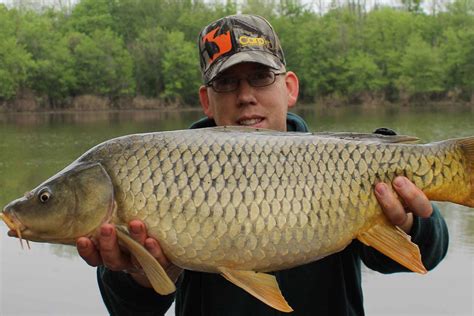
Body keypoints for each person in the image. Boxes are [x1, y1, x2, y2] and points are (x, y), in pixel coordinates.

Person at [76, 14, 449, 315]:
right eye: (227, 83)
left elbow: (426, 254)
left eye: (260, 77)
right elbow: (128, 310)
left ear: (289, 87)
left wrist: (414, 222)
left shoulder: (341, 163)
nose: (245, 96)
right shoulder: (165, 170)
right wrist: (143, 274)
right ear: (206, 100)